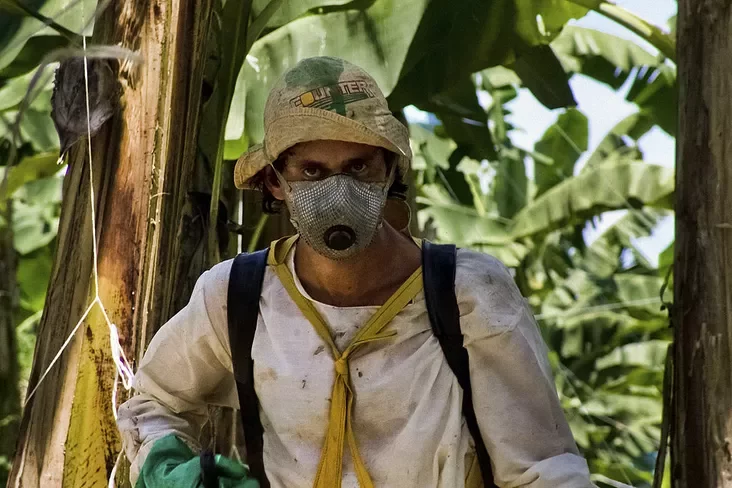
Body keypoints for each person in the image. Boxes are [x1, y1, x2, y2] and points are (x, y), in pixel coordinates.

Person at [117, 56, 595, 488]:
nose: (338, 192)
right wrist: (171, 472)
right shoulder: (236, 296)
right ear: (275, 182)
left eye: (359, 167)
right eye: (312, 172)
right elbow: (155, 403)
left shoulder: (466, 293)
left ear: (389, 170)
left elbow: (543, 471)